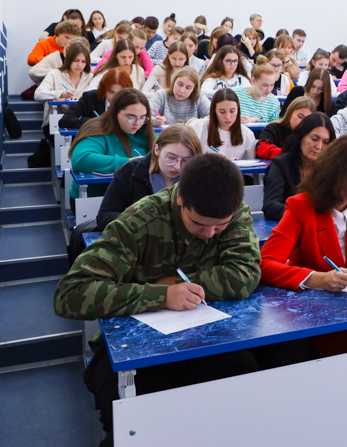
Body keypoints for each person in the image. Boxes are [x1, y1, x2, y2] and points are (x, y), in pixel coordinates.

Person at [55, 154, 261, 447]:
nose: (209, 234)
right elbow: (71, 294)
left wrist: (176, 285)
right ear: (181, 200)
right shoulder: (142, 219)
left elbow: (244, 275)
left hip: (207, 337)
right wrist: (159, 295)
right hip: (132, 346)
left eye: (220, 227)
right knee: (132, 422)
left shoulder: (233, 210)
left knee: (243, 386)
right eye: (199, 224)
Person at [259, 134, 347, 354]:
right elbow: (267, 263)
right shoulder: (300, 207)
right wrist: (316, 279)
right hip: (316, 315)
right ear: (343, 177)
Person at [94, 123, 202, 230]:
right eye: (171, 157)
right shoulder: (130, 171)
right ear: (157, 150)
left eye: (186, 161)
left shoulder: (199, 177)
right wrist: (139, 222)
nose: (177, 166)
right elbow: (104, 216)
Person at [68, 88, 156, 201]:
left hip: (134, 198)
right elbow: (81, 159)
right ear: (115, 113)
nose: (138, 123)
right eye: (131, 117)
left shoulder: (145, 130)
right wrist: (129, 163)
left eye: (143, 117)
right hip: (96, 199)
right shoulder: (97, 128)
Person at [262, 113, 334, 221]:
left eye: (325, 142)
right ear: (301, 137)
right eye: (314, 139)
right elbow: (270, 207)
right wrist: (307, 212)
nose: (319, 146)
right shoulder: (281, 164)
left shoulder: (330, 167)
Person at [34, 41, 93, 129]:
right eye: (75, 60)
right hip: (56, 123)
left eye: (83, 61)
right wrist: (60, 94)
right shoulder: (55, 74)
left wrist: (81, 98)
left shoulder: (90, 77)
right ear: (68, 59)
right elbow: (38, 94)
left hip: (81, 122)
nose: (79, 65)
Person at [188, 89, 256, 160]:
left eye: (232, 111)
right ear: (214, 111)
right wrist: (206, 159)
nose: (228, 117)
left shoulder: (247, 134)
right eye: (222, 112)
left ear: (238, 110)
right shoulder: (199, 127)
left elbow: (251, 166)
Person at [60, 68, 132, 129]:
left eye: (120, 92)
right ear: (104, 89)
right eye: (111, 91)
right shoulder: (90, 97)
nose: (115, 96)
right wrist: (95, 122)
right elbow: (65, 120)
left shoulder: (133, 102)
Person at [230, 57, 281, 123]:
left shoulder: (274, 103)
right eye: (264, 85)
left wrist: (256, 119)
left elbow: (273, 130)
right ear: (253, 80)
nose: (269, 89)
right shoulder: (234, 94)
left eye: (272, 85)